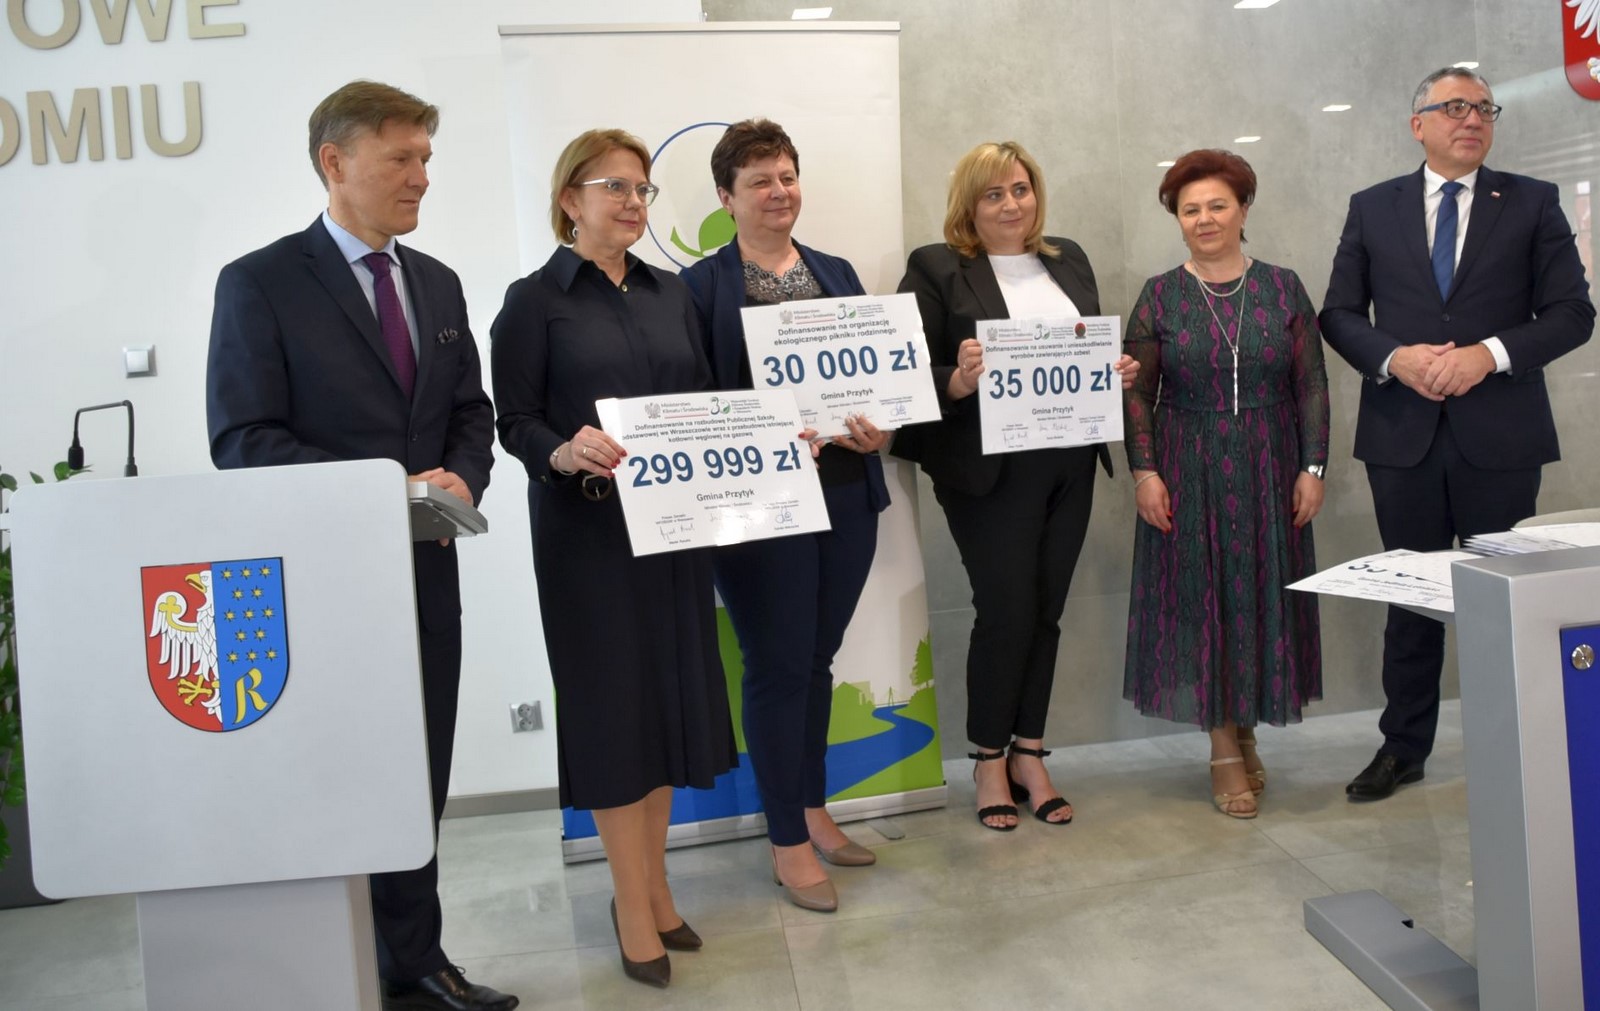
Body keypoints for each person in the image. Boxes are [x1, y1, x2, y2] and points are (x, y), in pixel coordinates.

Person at [206, 81, 515, 1011]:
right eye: (401, 159)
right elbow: (243, 439)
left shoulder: (438, 282)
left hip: (424, 574)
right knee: (344, 779)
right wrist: (388, 489)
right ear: (334, 162)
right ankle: (334, 964)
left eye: (426, 158)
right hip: (323, 587)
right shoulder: (259, 282)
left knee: (419, 774)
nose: (422, 177)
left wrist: (462, 479)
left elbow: (471, 412)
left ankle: (413, 960)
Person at [490, 129, 738, 989]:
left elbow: (705, 403)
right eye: (614, 187)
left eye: (642, 189)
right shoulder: (533, 301)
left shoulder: (673, 294)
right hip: (588, 537)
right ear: (571, 199)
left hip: (673, 530)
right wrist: (560, 450)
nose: (634, 203)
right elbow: (514, 420)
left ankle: (657, 886)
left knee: (666, 707)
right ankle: (630, 902)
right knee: (613, 716)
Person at [1321, 67, 1595, 802]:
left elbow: (1573, 313)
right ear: (1419, 124)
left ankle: (1519, 752)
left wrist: (1488, 355)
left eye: (1483, 108)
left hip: (1500, 436)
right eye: (1453, 107)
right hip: (1402, 435)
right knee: (1411, 597)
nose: (1472, 119)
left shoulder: (1532, 202)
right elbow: (1338, 314)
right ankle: (1402, 748)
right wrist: (1395, 358)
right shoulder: (1373, 207)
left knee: (1503, 600)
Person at [892, 141, 1137, 831]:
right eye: (993, 193)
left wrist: (1113, 368)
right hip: (988, 470)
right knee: (1005, 612)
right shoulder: (936, 266)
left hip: (1070, 459)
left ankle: (1030, 753)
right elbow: (906, 370)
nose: (1010, 204)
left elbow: (1084, 347)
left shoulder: (1069, 258)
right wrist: (958, 378)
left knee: (1047, 611)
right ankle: (988, 758)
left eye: (1021, 189)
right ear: (969, 204)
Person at [679, 119, 888, 913]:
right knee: (775, 663)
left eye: (788, 176)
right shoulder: (699, 288)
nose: (778, 192)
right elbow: (696, 403)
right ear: (726, 197)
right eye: (760, 180)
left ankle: (811, 806)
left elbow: (876, 377)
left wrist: (882, 427)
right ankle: (786, 838)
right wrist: (766, 436)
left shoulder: (836, 271)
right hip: (759, 505)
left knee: (816, 658)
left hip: (846, 491)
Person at [1122, 149, 1330, 820]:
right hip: (1188, 464)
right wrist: (1145, 471)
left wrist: (1313, 467)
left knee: (1257, 598)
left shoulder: (1283, 287)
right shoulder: (1159, 295)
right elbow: (1137, 394)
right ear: (1177, 220)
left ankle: (1244, 728)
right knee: (1202, 601)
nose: (1204, 219)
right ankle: (1221, 746)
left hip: (1271, 464)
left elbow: (1312, 385)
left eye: (1217, 205)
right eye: (1190, 209)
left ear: (1243, 210)